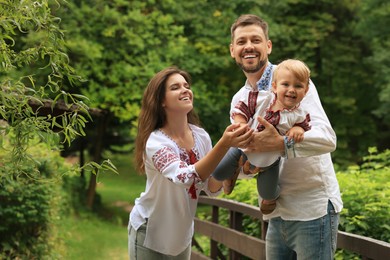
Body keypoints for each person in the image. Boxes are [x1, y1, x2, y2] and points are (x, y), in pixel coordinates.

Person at [227, 14, 343, 259]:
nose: (248, 46)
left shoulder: (294, 81)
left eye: (256, 40)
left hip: (312, 211)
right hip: (275, 213)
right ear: (233, 50)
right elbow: (252, 162)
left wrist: (280, 143)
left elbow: (327, 139)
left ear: (268, 46)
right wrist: (247, 169)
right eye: (241, 42)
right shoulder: (240, 101)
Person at [127, 67, 253, 259]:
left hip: (181, 237)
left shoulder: (201, 136)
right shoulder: (156, 142)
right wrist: (224, 143)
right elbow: (185, 177)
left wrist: (235, 165)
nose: (185, 90)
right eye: (175, 87)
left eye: (186, 86)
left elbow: (211, 187)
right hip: (149, 233)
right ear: (161, 101)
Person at [212, 59, 312, 215]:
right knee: (217, 173)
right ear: (274, 86)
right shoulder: (263, 98)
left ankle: (272, 196)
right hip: (244, 148)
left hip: (270, 161)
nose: (291, 90)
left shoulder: (300, 114)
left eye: (298, 86)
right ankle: (233, 170)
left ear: (305, 91)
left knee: (267, 193)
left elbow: (305, 126)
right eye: (285, 85)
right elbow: (242, 107)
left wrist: (298, 129)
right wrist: (240, 122)